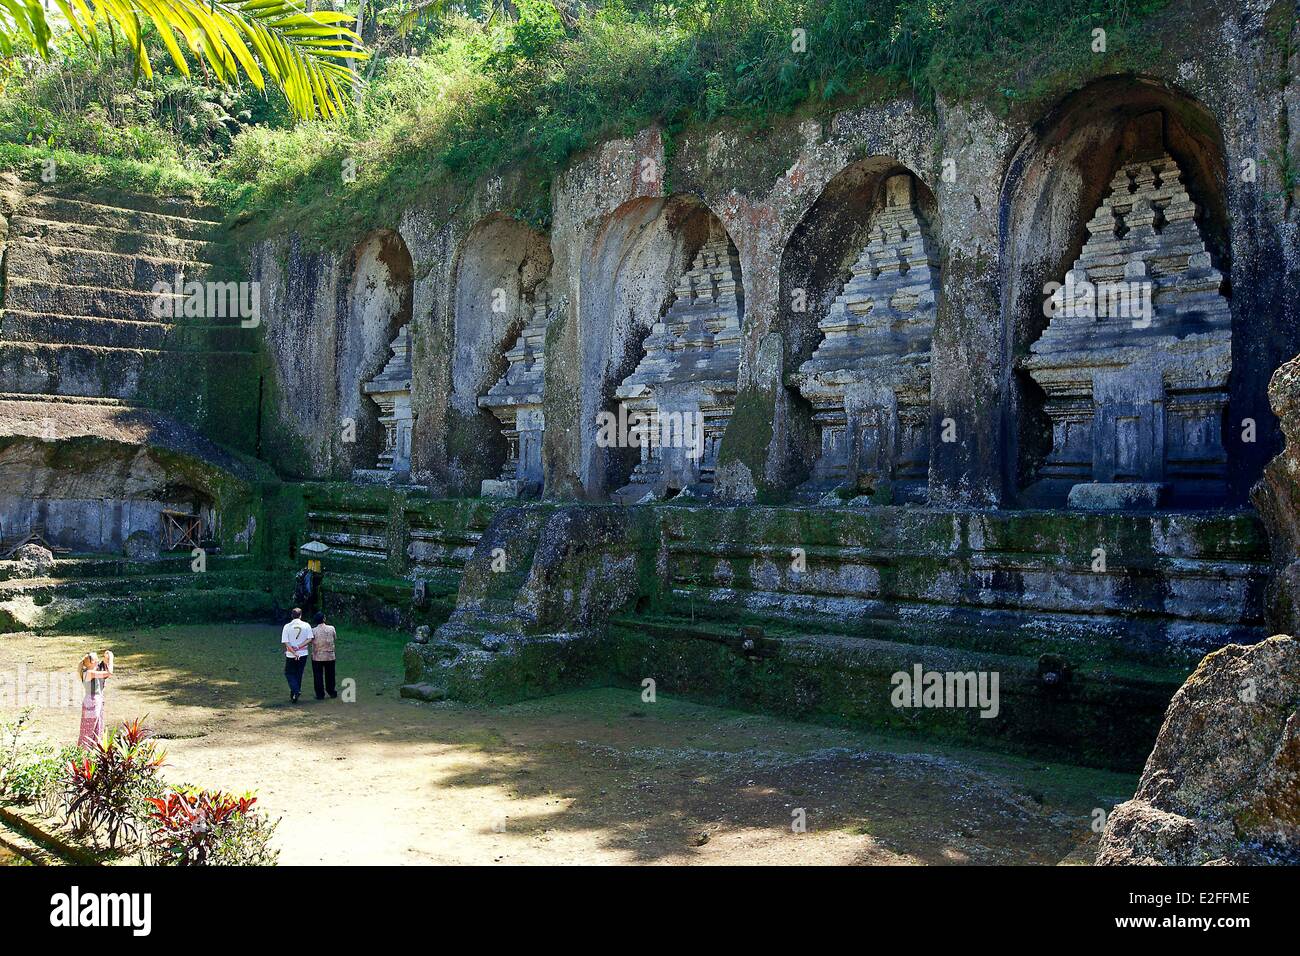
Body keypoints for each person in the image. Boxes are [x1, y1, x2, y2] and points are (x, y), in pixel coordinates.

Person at [77, 650, 113, 748]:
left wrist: (107, 657)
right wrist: (112, 659)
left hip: (96, 701)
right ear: (92, 662)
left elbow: (104, 664)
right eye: (96, 659)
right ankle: (84, 751)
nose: (98, 660)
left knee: (97, 727)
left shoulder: (92, 670)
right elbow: (109, 673)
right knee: (88, 729)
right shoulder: (89, 673)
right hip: (92, 702)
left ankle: (93, 750)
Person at [280, 608, 313, 703]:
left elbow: (286, 642)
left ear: (292, 615)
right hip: (303, 653)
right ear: (301, 615)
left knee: (289, 673)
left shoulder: (287, 626)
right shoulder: (306, 625)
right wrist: (299, 647)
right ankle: (295, 693)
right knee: (299, 673)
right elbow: (309, 639)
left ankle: (295, 691)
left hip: (291, 654)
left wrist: (294, 652)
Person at [310, 612, 338, 700]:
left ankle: (320, 694)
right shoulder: (331, 628)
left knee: (318, 675)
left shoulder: (313, 630)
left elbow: (310, 641)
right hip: (330, 655)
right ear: (324, 619)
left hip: (317, 656)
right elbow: (335, 638)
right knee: (330, 674)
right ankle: (331, 691)